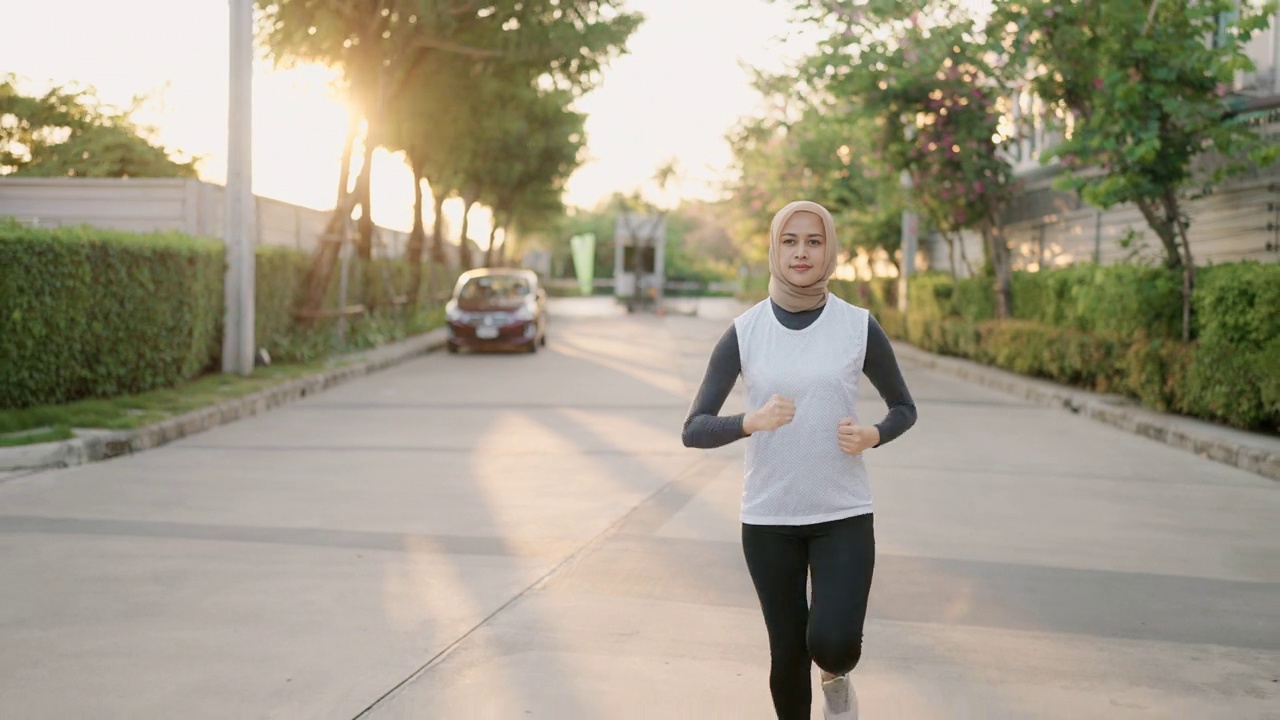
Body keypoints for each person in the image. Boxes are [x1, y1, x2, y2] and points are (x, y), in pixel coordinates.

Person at [681, 200, 918, 720]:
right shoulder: (745, 331)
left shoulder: (857, 326)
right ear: (774, 249)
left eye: (813, 241)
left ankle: (837, 679)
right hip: (769, 519)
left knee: (833, 643)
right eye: (790, 241)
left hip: (843, 513)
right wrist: (750, 421)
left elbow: (905, 408)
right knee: (787, 654)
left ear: (829, 249)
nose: (802, 252)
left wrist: (873, 435)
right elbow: (693, 429)